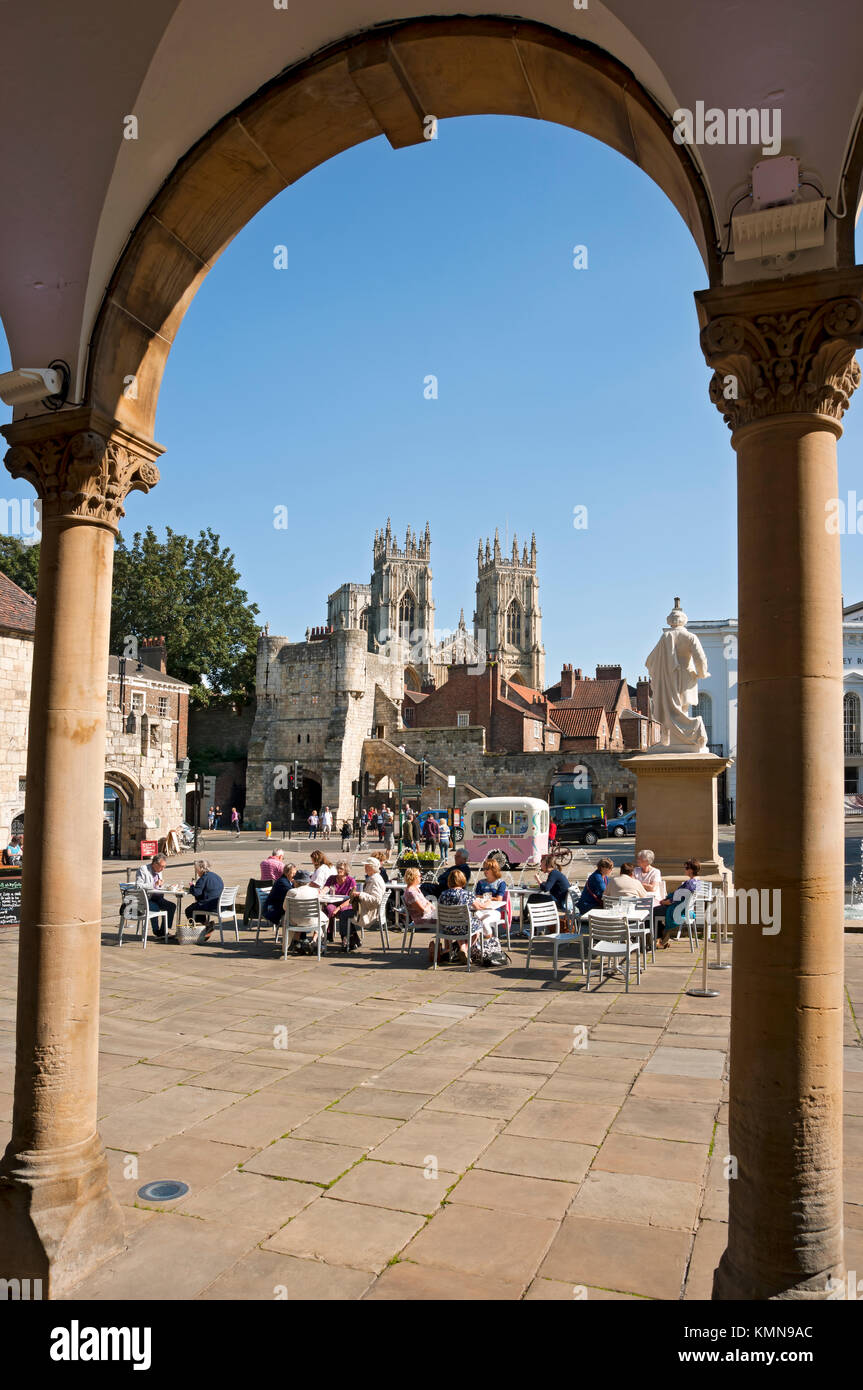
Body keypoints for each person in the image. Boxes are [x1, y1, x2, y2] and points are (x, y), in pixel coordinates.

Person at [435, 868, 484, 966]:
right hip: (462, 927)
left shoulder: (443, 894)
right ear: (462, 880)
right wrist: (487, 903)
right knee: (478, 925)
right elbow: (478, 907)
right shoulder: (467, 894)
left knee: (459, 924)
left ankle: (462, 948)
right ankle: (465, 949)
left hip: (447, 928)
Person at [656, 859, 701, 948]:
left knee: (653, 912)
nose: (685, 870)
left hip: (678, 910)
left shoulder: (689, 883)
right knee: (658, 911)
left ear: (691, 870)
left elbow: (675, 900)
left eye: (686, 868)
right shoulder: (698, 882)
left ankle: (659, 941)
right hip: (687, 910)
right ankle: (663, 940)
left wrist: (664, 901)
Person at [347, 858, 386, 951]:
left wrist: (360, 894)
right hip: (369, 910)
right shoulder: (375, 878)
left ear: (372, 868)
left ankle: (349, 941)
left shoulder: (375, 881)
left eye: (367, 866)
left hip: (369, 913)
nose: (365, 867)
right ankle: (353, 940)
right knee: (345, 913)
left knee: (344, 914)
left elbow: (376, 900)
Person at [525, 854, 570, 934]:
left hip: (558, 902)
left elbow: (546, 888)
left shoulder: (553, 873)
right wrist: (543, 883)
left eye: (541, 864)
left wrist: (538, 880)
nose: (540, 866)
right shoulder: (555, 873)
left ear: (547, 864)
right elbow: (549, 885)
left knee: (532, 898)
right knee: (535, 901)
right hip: (561, 900)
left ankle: (525, 917)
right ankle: (533, 926)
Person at [283, 869, 325, 953]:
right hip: (311, 921)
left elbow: (284, 907)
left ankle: (293, 943)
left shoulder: (291, 892)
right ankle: (315, 940)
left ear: (296, 881)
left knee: (288, 918)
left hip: (295, 921)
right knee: (324, 919)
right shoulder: (314, 891)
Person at [135, 853, 175, 937]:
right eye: (161, 866)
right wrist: (154, 884)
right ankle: (156, 931)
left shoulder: (158, 871)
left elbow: (158, 886)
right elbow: (138, 886)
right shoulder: (143, 869)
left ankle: (164, 931)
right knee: (155, 907)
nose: (163, 869)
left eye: (164, 866)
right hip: (146, 899)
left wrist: (166, 886)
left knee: (171, 906)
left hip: (157, 897)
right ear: (155, 864)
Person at [187, 859, 225, 942]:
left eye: (196, 869)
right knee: (198, 905)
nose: (196, 872)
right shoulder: (216, 876)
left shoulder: (203, 878)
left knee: (189, 910)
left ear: (201, 869)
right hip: (221, 905)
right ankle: (206, 925)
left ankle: (203, 928)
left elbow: (197, 892)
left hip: (211, 906)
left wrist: (192, 886)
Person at [323, 860, 356, 943]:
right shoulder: (332, 878)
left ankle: (344, 938)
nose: (338, 870)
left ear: (346, 870)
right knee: (329, 909)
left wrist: (338, 908)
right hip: (333, 902)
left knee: (343, 912)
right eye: (337, 868)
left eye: (341, 868)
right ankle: (328, 935)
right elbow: (326, 887)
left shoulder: (351, 881)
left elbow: (351, 899)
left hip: (346, 904)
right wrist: (321, 892)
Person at [262, 863, 297, 931]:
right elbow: (293, 893)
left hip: (280, 906)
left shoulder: (288, 881)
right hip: (273, 909)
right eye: (293, 873)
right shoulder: (282, 882)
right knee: (297, 914)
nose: (294, 876)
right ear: (287, 873)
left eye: (295, 873)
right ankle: (297, 936)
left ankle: (297, 936)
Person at [403, 866, 437, 931]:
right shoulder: (411, 892)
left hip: (429, 916)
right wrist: (429, 905)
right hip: (423, 921)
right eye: (420, 875)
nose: (421, 877)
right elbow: (423, 911)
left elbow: (427, 903)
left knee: (449, 916)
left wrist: (432, 907)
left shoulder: (416, 889)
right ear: (414, 877)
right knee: (448, 918)